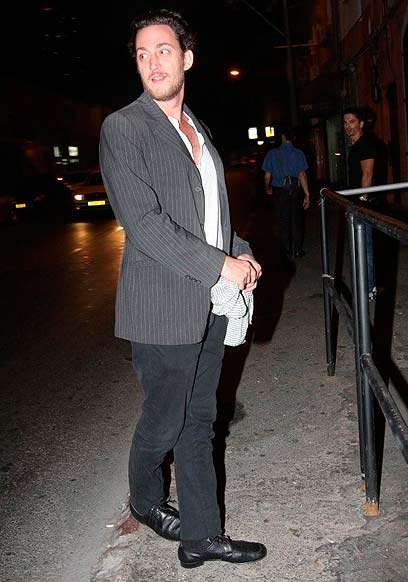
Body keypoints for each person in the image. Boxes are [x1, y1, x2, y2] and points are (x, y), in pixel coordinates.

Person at [99, 8, 266, 570]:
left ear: (187, 58)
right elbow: (146, 225)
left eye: (164, 50)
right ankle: (146, 500)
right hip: (161, 308)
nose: (153, 63)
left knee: (200, 421)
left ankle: (200, 536)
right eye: (142, 54)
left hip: (208, 304)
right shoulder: (124, 127)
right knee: (165, 420)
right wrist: (222, 266)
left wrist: (239, 249)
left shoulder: (197, 128)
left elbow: (209, 217)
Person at [343, 107, 379, 299]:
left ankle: (369, 287)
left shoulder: (365, 144)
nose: (348, 126)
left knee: (365, 246)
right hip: (356, 202)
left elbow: (367, 173)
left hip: (364, 203)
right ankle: (364, 284)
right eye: (345, 122)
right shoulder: (355, 145)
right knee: (360, 245)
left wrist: (362, 202)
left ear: (361, 124)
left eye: (352, 122)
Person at [262, 127, 310, 259]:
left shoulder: (272, 154)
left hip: (279, 190)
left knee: (282, 220)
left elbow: (267, 176)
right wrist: (307, 194)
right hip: (295, 190)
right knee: (297, 220)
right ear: (293, 138)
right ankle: (298, 250)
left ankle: (286, 251)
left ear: (282, 136)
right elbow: (302, 174)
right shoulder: (299, 153)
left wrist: (267, 188)